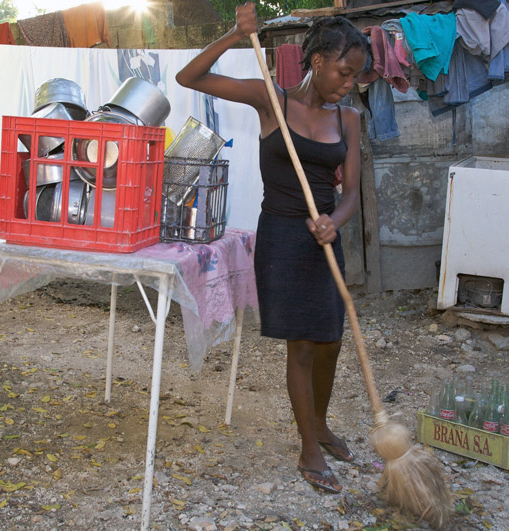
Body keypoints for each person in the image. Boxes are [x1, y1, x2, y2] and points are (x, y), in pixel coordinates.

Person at [176, 3, 369, 493]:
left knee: (330, 339)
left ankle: (321, 424)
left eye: (356, 77)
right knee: (301, 344)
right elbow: (189, 76)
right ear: (319, 61)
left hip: (322, 237)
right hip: (282, 238)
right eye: (344, 73)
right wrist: (235, 34)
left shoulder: (348, 119)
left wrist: (334, 222)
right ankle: (308, 445)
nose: (349, 84)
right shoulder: (272, 100)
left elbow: (351, 195)